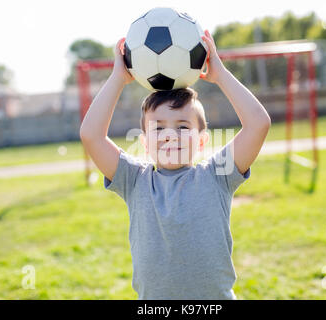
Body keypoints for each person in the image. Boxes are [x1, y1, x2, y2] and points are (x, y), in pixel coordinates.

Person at [79, 30, 271, 299]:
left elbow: (258, 124)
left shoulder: (218, 175)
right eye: (158, 129)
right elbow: (91, 135)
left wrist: (221, 75)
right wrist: (117, 79)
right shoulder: (134, 180)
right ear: (145, 143)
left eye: (182, 126)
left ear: (201, 141)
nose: (170, 135)